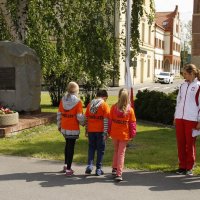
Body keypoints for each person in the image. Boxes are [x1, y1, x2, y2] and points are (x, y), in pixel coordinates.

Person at [174, 64, 200, 176]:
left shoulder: (198, 86)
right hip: (180, 118)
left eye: (185, 73)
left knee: (190, 144)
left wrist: (199, 120)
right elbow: (178, 101)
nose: (183, 75)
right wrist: (175, 116)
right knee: (180, 142)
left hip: (192, 118)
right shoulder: (182, 85)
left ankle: (189, 167)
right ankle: (182, 166)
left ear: (192, 73)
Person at [57, 81, 85, 176]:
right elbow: (79, 117)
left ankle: (65, 165)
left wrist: (59, 125)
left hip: (64, 126)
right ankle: (69, 168)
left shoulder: (63, 100)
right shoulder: (78, 102)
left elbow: (59, 114)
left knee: (67, 145)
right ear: (76, 90)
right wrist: (84, 123)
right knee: (71, 147)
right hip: (73, 128)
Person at [108, 88, 136, 181]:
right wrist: (132, 134)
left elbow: (110, 121)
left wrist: (109, 131)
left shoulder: (113, 107)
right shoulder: (130, 110)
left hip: (115, 133)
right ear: (127, 98)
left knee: (116, 151)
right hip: (124, 135)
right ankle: (119, 173)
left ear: (119, 96)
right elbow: (132, 124)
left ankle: (114, 168)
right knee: (121, 153)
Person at [85, 90, 110, 176]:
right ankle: (98, 169)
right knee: (101, 150)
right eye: (106, 98)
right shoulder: (104, 105)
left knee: (91, 148)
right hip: (101, 131)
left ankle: (89, 165)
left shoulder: (89, 105)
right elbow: (106, 120)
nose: (106, 100)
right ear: (104, 97)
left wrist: (86, 130)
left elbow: (86, 118)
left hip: (91, 130)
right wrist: (106, 132)